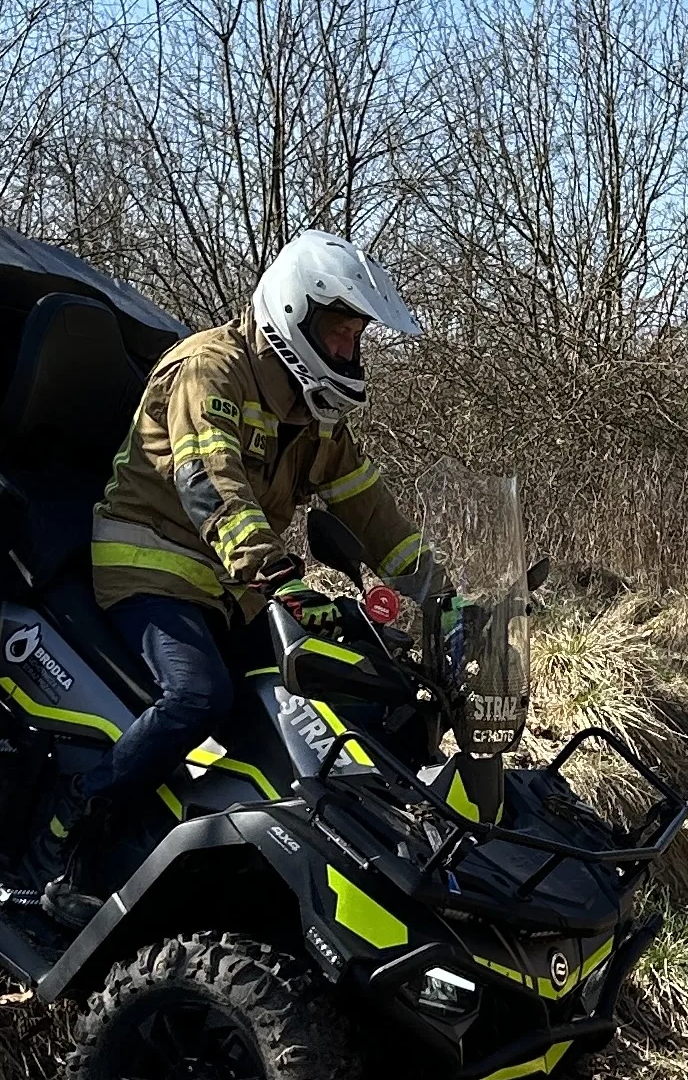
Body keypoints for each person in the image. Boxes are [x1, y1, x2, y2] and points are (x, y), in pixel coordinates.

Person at [36, 230, 446, 923]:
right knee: (199, 696)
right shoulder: (210, 370)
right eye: (339, 334)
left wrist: (444, 595)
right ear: (295, 311)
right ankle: (73, 823)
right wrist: (276, 574)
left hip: (233, 588)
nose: (348, 351)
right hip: (152, 565)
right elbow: (209, 482)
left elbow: (371, 511)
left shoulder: (312, 414)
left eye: (354, 338)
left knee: (342, 670)